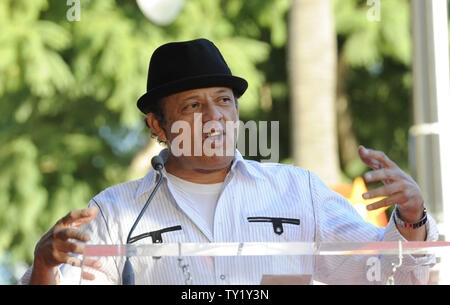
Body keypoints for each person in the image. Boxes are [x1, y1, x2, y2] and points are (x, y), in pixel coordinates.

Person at [21, 38, 438, 285]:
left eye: (224, 101)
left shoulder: (297, 191)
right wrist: (43, 266)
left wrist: (413, 218)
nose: (216, 116)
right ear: (159, 125)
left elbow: (387, 276)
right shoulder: (114, 212)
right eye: (193, 105)